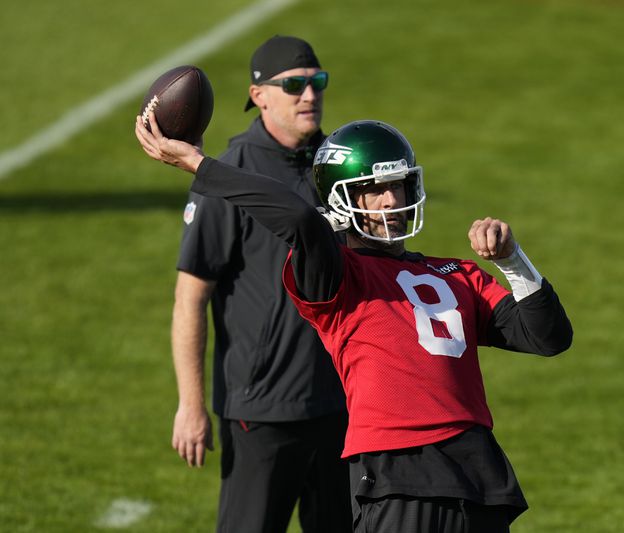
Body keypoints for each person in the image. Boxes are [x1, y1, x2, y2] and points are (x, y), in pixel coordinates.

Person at [136, 116, 573, 533]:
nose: (392, 201)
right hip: (400, 476)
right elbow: (303, 221)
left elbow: (548, 337)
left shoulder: (458, 273)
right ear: (342, 200)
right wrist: (198, 164)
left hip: (479, 477)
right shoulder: (340, 276)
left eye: (397, 186)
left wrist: (513, 262)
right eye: (374, 190)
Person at [169, 35, 350, 533]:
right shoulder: (230, 175)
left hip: (343, 401)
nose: (309, 94)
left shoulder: (337, 166)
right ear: (259, 95)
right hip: (264, 410)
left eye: (318, 82)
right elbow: (190, 297)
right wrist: (191, 404)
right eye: (294, 85)